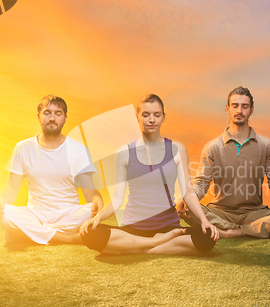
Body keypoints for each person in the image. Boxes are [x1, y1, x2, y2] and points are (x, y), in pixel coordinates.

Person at [0, 95, 182, 252]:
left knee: (88, 213)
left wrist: (97, 201)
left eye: (57, 114)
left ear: (65, 118)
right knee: (4, 214)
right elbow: (10, 189)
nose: (52, 118)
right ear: (39, 116)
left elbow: (90, 193)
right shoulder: (22, 148)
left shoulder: (78, 149)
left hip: (70, 214)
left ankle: (26, 233)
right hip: (36, 213)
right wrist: (0, 200)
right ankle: (68, 239)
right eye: (47, 113)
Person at [80, 94, 219, 255]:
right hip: (132, 229)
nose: (151, 120)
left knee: (208, 237)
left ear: (163, 117)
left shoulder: (177, 149)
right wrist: (97, 218)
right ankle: (156, 243)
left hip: (169, 228)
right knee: (90, 233)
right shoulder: (124, 152)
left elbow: (188, 193)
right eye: (146, 115)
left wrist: (204, 221)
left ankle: (135, 247)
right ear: (137, 117)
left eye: (156, 115)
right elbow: (117, 199)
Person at [177, 86, 270, 238]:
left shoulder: (266, 145)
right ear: (227, 109)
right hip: (220, 212)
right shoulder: (212, 147)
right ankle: (251, 230)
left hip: (255, 213)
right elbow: (202, 183)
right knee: (190, 209)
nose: (239, 111)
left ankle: (233, 232)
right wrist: (189, 199)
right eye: (235, 106)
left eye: (245, 106)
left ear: (251, 110)